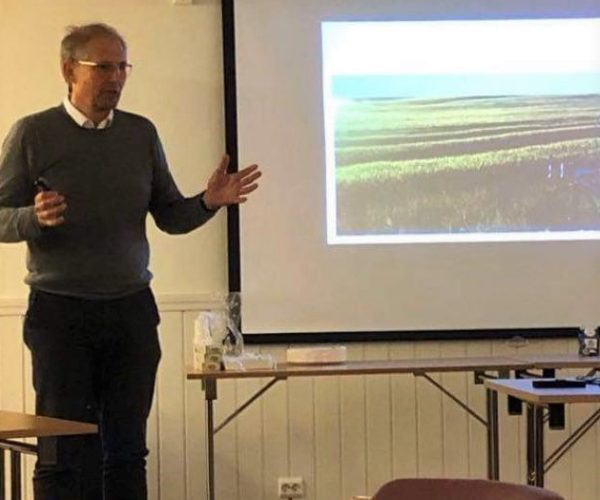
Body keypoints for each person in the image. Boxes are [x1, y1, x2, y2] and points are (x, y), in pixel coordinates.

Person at [0, 23, 260, 500]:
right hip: (61, 314)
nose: (116, 77)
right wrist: (30, 218)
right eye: (104, 67)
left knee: (126, 453)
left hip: (130, 312)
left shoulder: (141, 134)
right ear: (68, 71)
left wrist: (207, 201)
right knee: (61, 455)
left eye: (123, 66)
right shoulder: (33, 133)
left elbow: (171, 217)